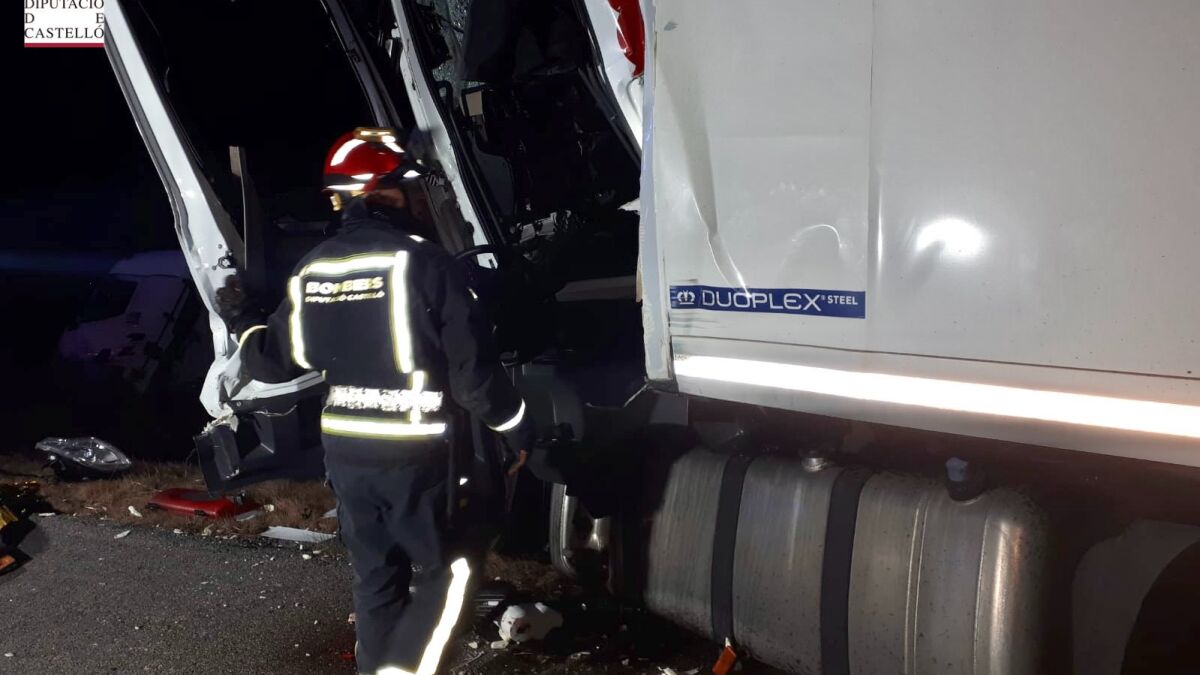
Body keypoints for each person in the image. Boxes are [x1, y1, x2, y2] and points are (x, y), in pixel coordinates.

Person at [217, 127, 536, 675]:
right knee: (449, 574)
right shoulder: (426, 263)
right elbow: (474, 383)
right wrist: (524, 431)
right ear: (381, 192)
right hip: (417, 459)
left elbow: (270, 363)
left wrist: (243, 319)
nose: (419, 201)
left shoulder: (314, 268)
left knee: (377, 581)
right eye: (410, 188)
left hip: (347, 458)